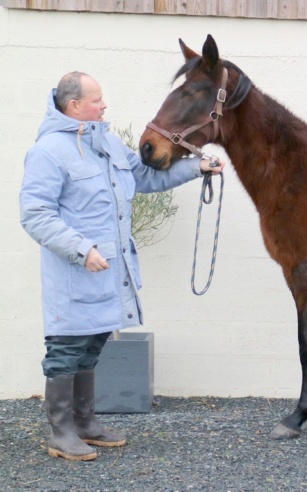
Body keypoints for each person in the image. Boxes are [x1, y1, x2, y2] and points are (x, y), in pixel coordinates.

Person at [19, 72, 224, 461]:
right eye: (97, 100)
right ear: (74, 105)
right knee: (66, 348)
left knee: (93, 344)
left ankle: (85, 423)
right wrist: (81, 249)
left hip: (111, 271)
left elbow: (145, 176)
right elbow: (35, 214)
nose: (104, 105)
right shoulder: (48, 151)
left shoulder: (108, 143)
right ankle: (60, 432)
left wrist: (196, 169)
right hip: (76, 271)